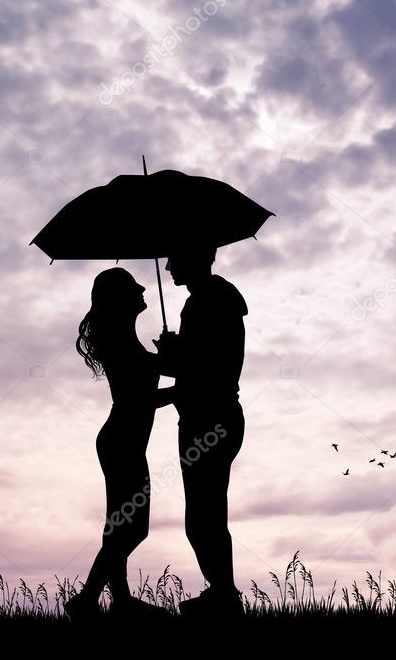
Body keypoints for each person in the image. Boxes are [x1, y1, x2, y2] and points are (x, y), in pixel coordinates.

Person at [65, 267, 173, 620]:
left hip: (123, 442)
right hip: (122, 442)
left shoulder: (126, 339)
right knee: (131, 527)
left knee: (121, 525)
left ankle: (117, 601)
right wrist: (184, 387)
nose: (143, 287)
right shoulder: (121, 342)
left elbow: (159, 371)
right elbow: (138, 400)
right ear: (119, 299)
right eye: (132, 286)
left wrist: (170, 356)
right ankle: (89, 598)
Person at [155, 244, 247, 618]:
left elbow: (202, 372)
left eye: (173, 259)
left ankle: (224, 595)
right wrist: (176, 354)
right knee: (208, 514)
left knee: (202, 517)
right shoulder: (218, 299)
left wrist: (171, 356)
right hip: (219, 415)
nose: (167, 267)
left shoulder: (202, 303)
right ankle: (222, 592)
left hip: (206, 421)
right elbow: (205, 366)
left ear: (193, 259)